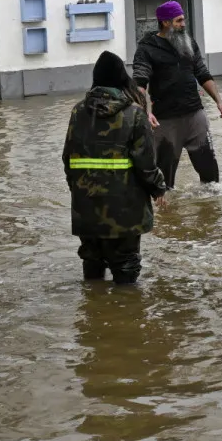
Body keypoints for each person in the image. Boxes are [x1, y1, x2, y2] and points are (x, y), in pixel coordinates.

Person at [63, 51, 168, 284]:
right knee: (126, 271)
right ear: (122, 79)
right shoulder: (135, 115)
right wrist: (158, 188)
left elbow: (68, 160)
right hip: (125, 212)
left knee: (92, 265)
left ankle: (94, 313)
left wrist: (80, 191)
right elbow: (146, 164)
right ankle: (125, 315)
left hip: (87, 208)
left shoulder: (78, 112)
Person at [133, 0, 222, 188]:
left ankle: (211, 212)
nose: (183, 24)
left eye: (183, 20)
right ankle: (167, 216)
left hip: (195, 115)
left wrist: (219, 101)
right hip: (165, 121)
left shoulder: (188, 42)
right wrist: (146, 112)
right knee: (164, 182)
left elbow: (202, 73)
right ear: (165, 22)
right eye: (178, 20)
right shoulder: (147, 48)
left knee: (211, 178)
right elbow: (139, 83)